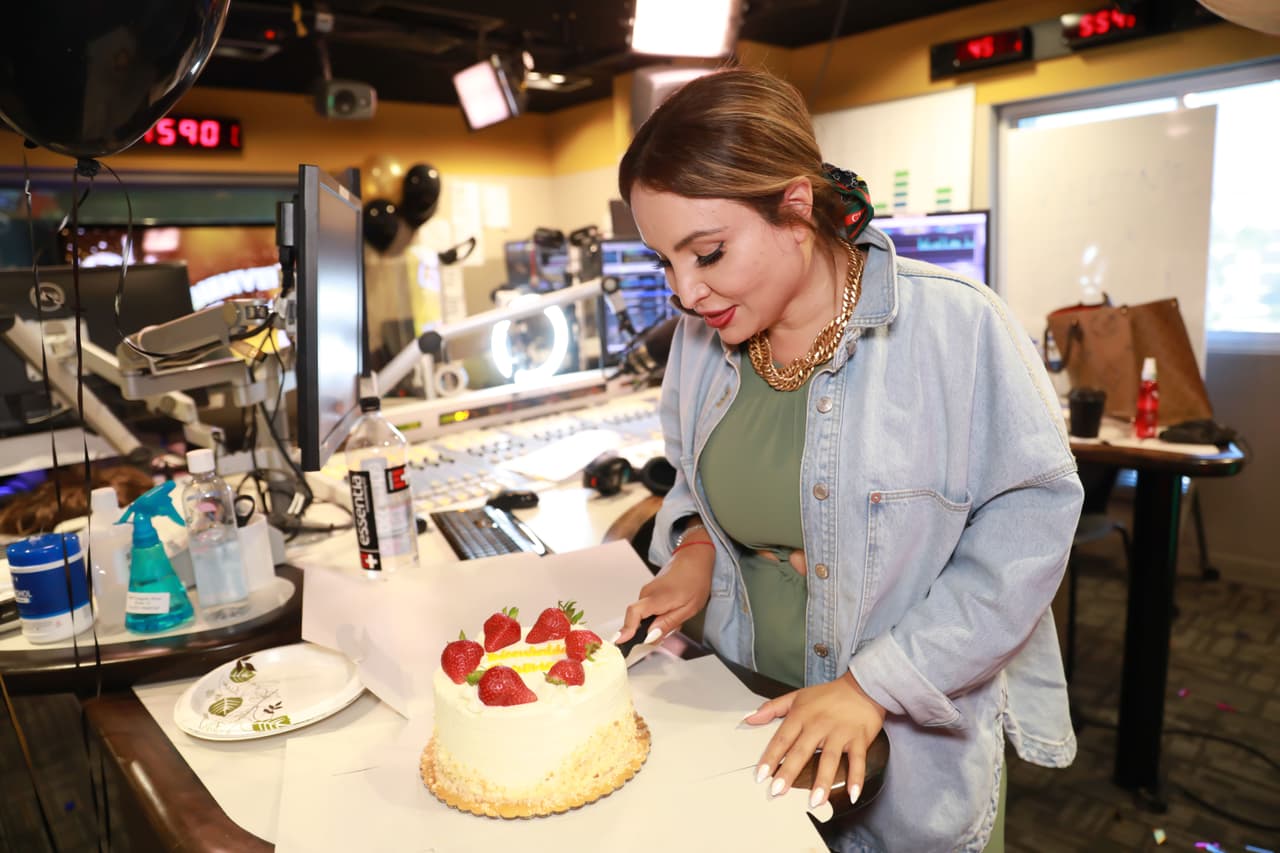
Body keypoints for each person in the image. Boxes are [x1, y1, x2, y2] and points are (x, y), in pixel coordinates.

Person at [613, 67, 1083, 853]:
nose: (685, 293)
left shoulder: (957, 327)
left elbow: (1028, 531)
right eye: (666, 261)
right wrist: (693, 547)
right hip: (745, 729)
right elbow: (690, 480)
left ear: (796, 207)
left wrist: (872, 684)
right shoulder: (703, 343)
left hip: (906, 759)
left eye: (709, 253)